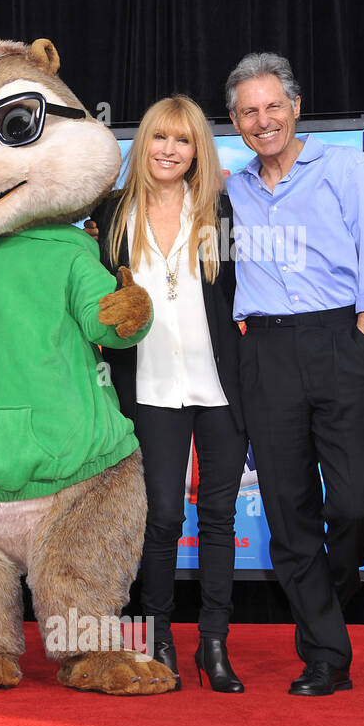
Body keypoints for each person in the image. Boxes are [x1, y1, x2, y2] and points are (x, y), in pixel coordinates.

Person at [224, 52, 364, 696]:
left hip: (340, 341)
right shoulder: (234, 189)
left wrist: (361, 345)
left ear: (296, 107)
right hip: (265, 353)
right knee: (287, 509)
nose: (263, 119)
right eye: (249, 111)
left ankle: (325, 594)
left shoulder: (349, 168)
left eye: (273, 106)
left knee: (356, 499)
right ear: (236, 121)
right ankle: (327, 654)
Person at [88, 96, 248, 692]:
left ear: (196, 151)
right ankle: (158, 638)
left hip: (221, 389)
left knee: (218, 518)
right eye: (160, 138)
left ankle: (215, 644)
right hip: (149, 389)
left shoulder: (221, 213)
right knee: (160, 518)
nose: (170, 150)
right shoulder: (111, 214)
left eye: (183, 142)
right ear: (144, 144)